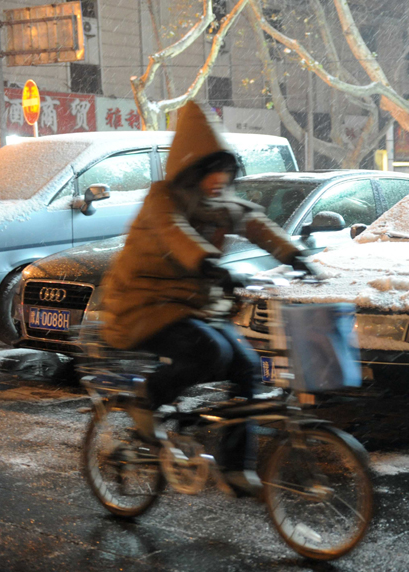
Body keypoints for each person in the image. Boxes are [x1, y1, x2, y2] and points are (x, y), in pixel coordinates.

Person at [99, 101, 315, 496]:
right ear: (194, 172)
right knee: (210, 353)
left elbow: (256, 223)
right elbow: (175, 234)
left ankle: (236, 468)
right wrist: (209, 263)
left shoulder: (221, 203)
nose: (221, 180)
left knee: (248, 367)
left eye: (226, 172)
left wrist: (294, 254)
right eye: (213, 172)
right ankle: (146, 400)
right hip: (142, 306)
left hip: (193, 308)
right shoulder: (161, 200)